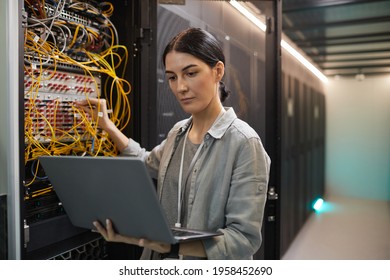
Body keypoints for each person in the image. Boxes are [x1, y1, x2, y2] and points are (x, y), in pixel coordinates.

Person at [75, 27, 270, 260]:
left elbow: (243, 240)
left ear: (218, 71)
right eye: (172, 77)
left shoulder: (244, 143)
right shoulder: (178, 132)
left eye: (190, 73)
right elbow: (145, 162)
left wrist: (171, 246)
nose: (180, 87)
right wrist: (108, 127)